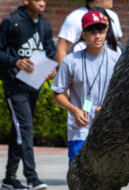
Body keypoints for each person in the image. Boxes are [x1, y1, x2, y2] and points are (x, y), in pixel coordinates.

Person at [0, 0, 56, 190]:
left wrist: (51, 69)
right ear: (26, 0)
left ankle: (9, 177)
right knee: (25, 128)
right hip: (14, 85)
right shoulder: (12, 22)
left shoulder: (44, 24)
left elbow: (50, 50)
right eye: (38, 0)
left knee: (18, 130)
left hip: (33, 85)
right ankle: (32, 178)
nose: (42, 3)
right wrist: (16, 62)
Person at [51, 10, 121, 162]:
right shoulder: (71, 60)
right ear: (84, 34)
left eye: (101, 31)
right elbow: (57, 93)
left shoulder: (118, 60)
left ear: (106, 31)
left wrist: (109, 107)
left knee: (105, 177)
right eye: (92, 32)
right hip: (79, 131)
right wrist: (74, 110)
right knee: (78, 177)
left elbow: (125, 93)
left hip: (108, 129)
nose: (97, 36)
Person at [56, 0, 123, 64]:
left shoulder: (113, 16)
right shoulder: (76, 17)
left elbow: (116, 44)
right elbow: (62, 49)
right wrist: (65, 75)